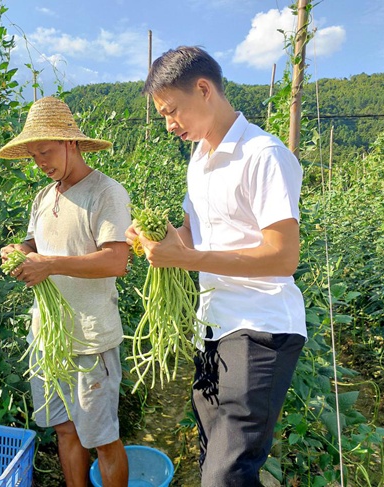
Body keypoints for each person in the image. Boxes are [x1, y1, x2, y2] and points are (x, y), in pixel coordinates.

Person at [126, 46, 307, 486]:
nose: (170, 125)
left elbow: (284, 256)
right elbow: (192, 236)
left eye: (172, 112)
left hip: (260, 329)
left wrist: (187, 258)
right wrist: (156, 239)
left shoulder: (262, 154)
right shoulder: (200, 161)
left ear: (203, 89)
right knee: (212, 457)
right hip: (214, 327)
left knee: (226, 473)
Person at [0, 96, 130, 487]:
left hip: (90, 341)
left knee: (103, 440)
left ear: (70, 143)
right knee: (65, 430)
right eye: (33, 155)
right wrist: (17, 253)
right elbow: (35, 244)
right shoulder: (44, 196)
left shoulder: (105, 192)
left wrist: (51, 265)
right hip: (48, 339)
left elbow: (115, 261)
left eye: (45, 151)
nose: (40, 161)